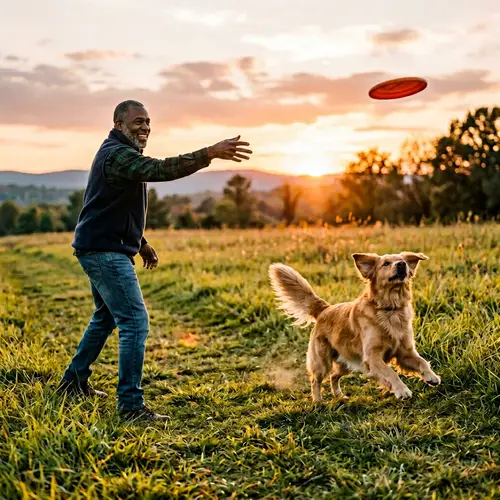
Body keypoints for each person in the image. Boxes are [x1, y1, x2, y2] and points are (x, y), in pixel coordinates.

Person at [57, 100, 252, 422]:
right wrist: (209, 153)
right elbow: (159, 169)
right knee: (134, 321)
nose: (145, 127)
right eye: (137, 122)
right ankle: (131, 406)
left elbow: (111, 206)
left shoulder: (119, 154)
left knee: (105, 318)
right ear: (119, 124)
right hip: (104, 252)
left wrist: (141, 242)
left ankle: (72, 383)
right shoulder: (117, 155)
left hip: (102, 246)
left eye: (147, 122)